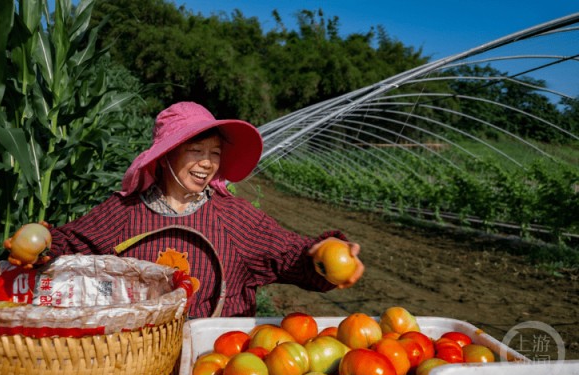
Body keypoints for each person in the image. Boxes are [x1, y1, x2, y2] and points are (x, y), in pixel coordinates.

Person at [43, 102, 364, 317]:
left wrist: (323, 253)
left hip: (211, 364)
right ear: (165, 156)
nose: (208, 162)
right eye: (195, 150)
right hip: (134, 364)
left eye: (214, 152)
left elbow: (293, 257)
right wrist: (42, 243)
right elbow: (68, 245)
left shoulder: (234, 218)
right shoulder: (124, 212)